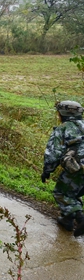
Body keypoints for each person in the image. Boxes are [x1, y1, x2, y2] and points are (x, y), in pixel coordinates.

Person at [42, 100, 84, 237]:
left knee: (61, 193)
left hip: (78, 168)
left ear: (61, 114)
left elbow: (53, 153)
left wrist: (47, 170)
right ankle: (67, 221)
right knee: (73, 191)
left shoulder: (64, 128)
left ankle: (80, 218)